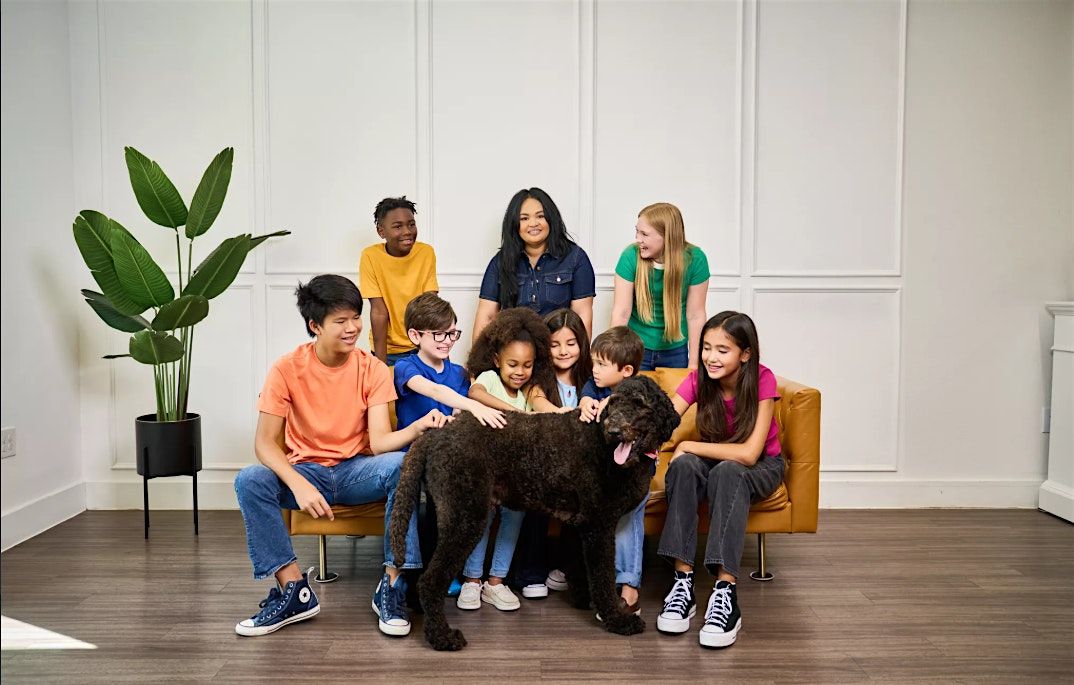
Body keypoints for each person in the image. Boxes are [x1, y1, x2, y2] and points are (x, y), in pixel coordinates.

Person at [232, 275, 448, 639]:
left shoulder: (372, 368)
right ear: (315, 326)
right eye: (341, 321)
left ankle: (392, 585)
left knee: (401, 465)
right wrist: (298, 484)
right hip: (307, 472)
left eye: (356, 318)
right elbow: (265, 443)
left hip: (356, 471)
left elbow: (379, 444)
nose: (353, 328)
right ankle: (294, 590)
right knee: (250, 480)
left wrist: (418, 427)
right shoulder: (286, 368)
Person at [656, 311, 785, 649]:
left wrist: (688, 445)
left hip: (762, 465)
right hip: (717, 460)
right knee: (684, 467)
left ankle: (726, 592)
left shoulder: (763, 379)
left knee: (727, 470)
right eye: (707, 348)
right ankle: (682, 584)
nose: (711, 357)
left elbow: (750, 454)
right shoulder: (699, 379)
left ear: (745, 354)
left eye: (722, 350)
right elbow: (663, 419)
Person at [393, 292, 507, 597]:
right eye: (439, 334)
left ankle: (450, 571)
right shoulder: (405, 367)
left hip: (447, 457)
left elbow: (458, 410)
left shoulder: (458, 373)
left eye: (453, 333)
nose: (448, 341)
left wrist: (463, 412)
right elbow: (433, 391)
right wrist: (473, 406)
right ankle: (413, 574)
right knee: (430, 497)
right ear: (415, 335)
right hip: (413, 454)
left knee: (456, 495)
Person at [459, 307, 560, 611]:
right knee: (482, 516)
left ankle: (496, 582)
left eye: (527, 365)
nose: (520, 371)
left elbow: (541, 405)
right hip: (486, 472)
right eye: (512, 364)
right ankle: (472, 580)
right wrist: (515, 413)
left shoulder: (530, 389)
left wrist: (562, 413)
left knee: (514, 518)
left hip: (516, 477)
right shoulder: (489, 379)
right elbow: (475, 394)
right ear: (496, 361)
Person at [509, 308, 592, 599]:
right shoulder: (538, 377)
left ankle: (567, 568)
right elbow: (537, 400)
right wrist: (562, 414)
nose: (563, 351)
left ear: (582, 344)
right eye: (555, 344)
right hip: (543, 457)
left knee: (583, 496)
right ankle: (530, 571)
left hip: (578, 463)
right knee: (538, 493)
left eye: (570, 343)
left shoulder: (590, 379)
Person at [576, 326, 648, 616]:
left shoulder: (640, 393)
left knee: (629, 515)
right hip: (602, 470)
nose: (594, 370)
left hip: (634, 469)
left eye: (602, 364)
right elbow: (587, 392)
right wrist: (585, 402)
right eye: (594, 362)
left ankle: (629, 586)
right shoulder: (596, 384)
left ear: (626, 371)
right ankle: (599, 588)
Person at [473, 187, 595, 342]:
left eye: (540, 216)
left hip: (558, 349)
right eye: (524, 218)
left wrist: (579, 354)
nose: (533, 223)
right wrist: (480, 357)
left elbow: (582, 317)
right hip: (515, 350)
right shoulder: (500, 262)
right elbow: (487, 317)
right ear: (514, 224)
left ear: (551, 219)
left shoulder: (576, 258)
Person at [610, 202, 709, 370]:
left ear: (667, 236)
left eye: (644, 234)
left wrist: (694, 364)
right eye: (637, 231)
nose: (638, 239)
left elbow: (695, 315)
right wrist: (614, 358)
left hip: (675, 350)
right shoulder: (630, 256)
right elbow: (621, 312)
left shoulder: (696, 260)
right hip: (636, 347)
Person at [358, 196, 438, 365]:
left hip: (422, 345)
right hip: (389, 350)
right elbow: (379, 312)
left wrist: (437, 352)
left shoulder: (426, 252)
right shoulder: (370, 256)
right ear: (381, 232)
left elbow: (430, 306)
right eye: (397, 226)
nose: (407, 231)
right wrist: (380, 366)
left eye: (411, 224)